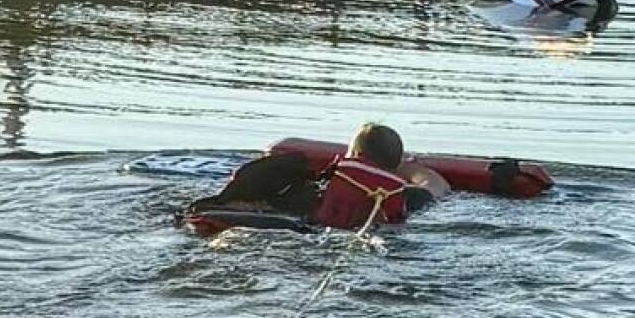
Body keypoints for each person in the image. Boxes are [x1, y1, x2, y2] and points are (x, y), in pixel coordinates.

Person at [186, 123, 450, 230]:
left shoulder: (313, 187)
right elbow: (437, 184)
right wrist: (403, 167)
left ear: (352, 155)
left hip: (293, 228)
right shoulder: (402, 196)